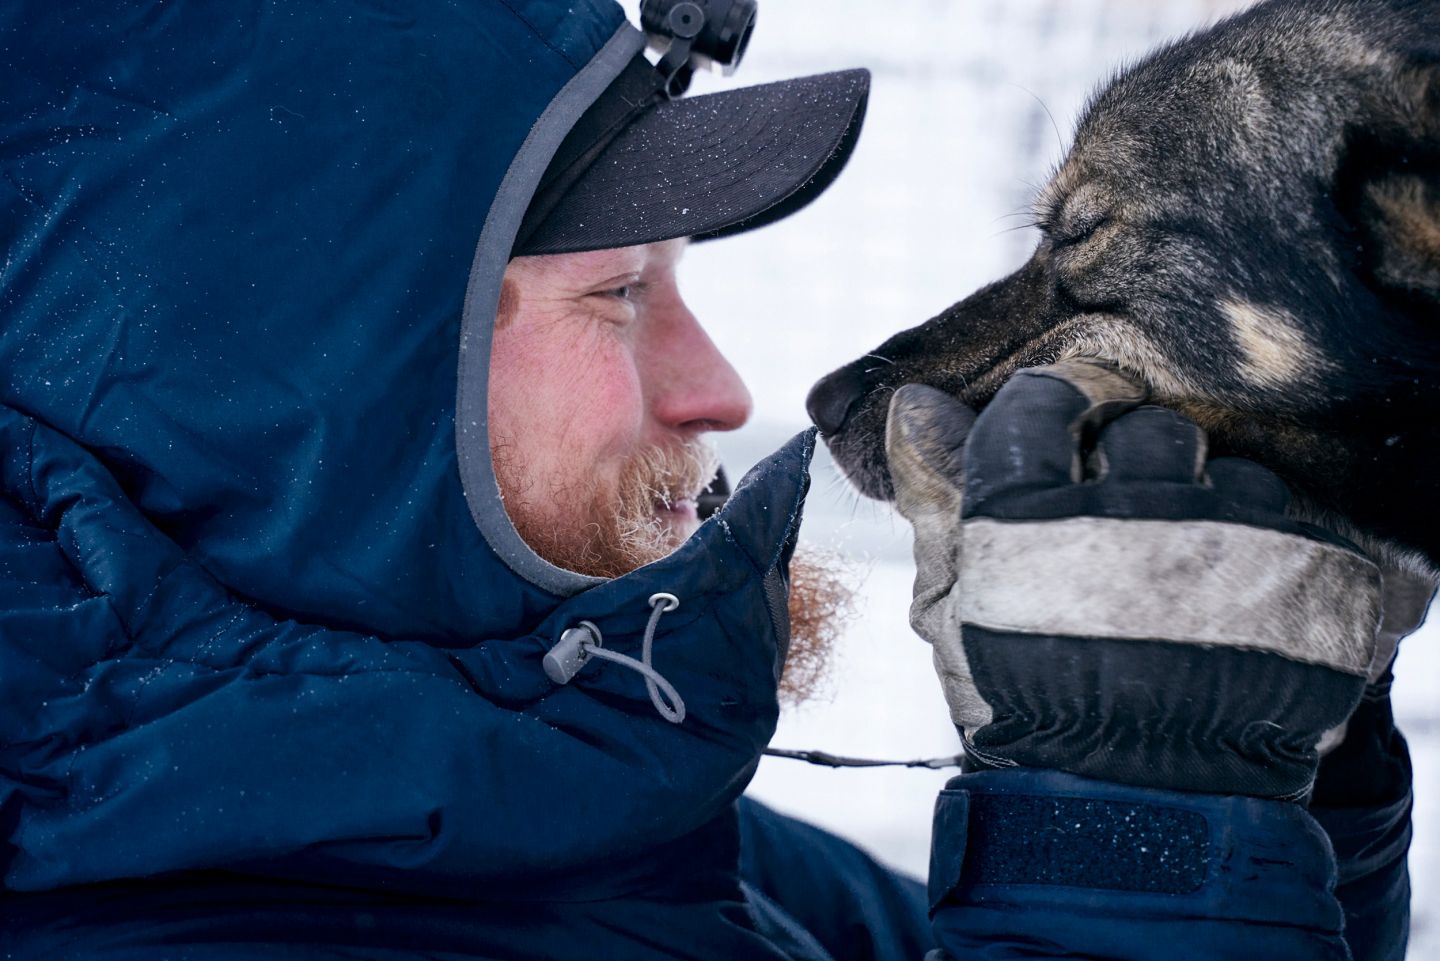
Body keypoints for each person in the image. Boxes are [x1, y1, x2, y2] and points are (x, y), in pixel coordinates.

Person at [0, 2, 1421, 960]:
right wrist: (1130, 849)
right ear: (290, 393)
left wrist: (1262, 784)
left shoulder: (619, 833)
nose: (722, 390)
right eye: (618, 293)